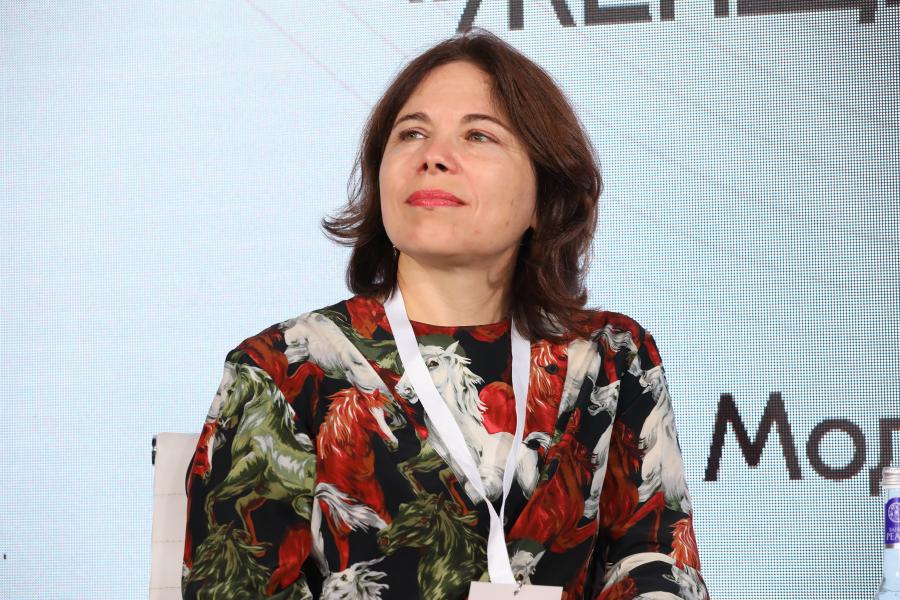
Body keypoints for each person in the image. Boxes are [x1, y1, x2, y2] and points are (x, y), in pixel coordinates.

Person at [182, 29, 708, 600]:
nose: (432, 156)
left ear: (545, 192)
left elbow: (655, 562)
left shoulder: (613, 356)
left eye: (478, 135)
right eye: (411, 133)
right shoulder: (283, 367)